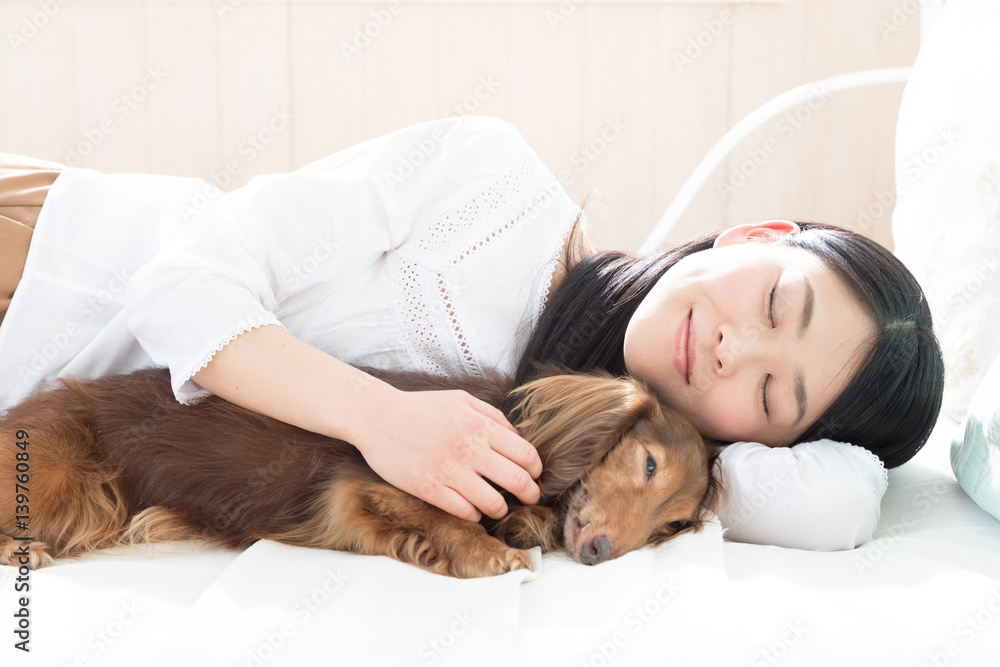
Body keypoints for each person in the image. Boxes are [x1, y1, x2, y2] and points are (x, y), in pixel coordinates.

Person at [0, 115, 943, 551]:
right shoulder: (492, 185)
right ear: (756, 235)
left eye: (774, 395)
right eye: (776, 302)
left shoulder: (591, 465)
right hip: (41, 266)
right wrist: (381, 417)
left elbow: (840, 503)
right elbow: (179, 286)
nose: (739, 346)